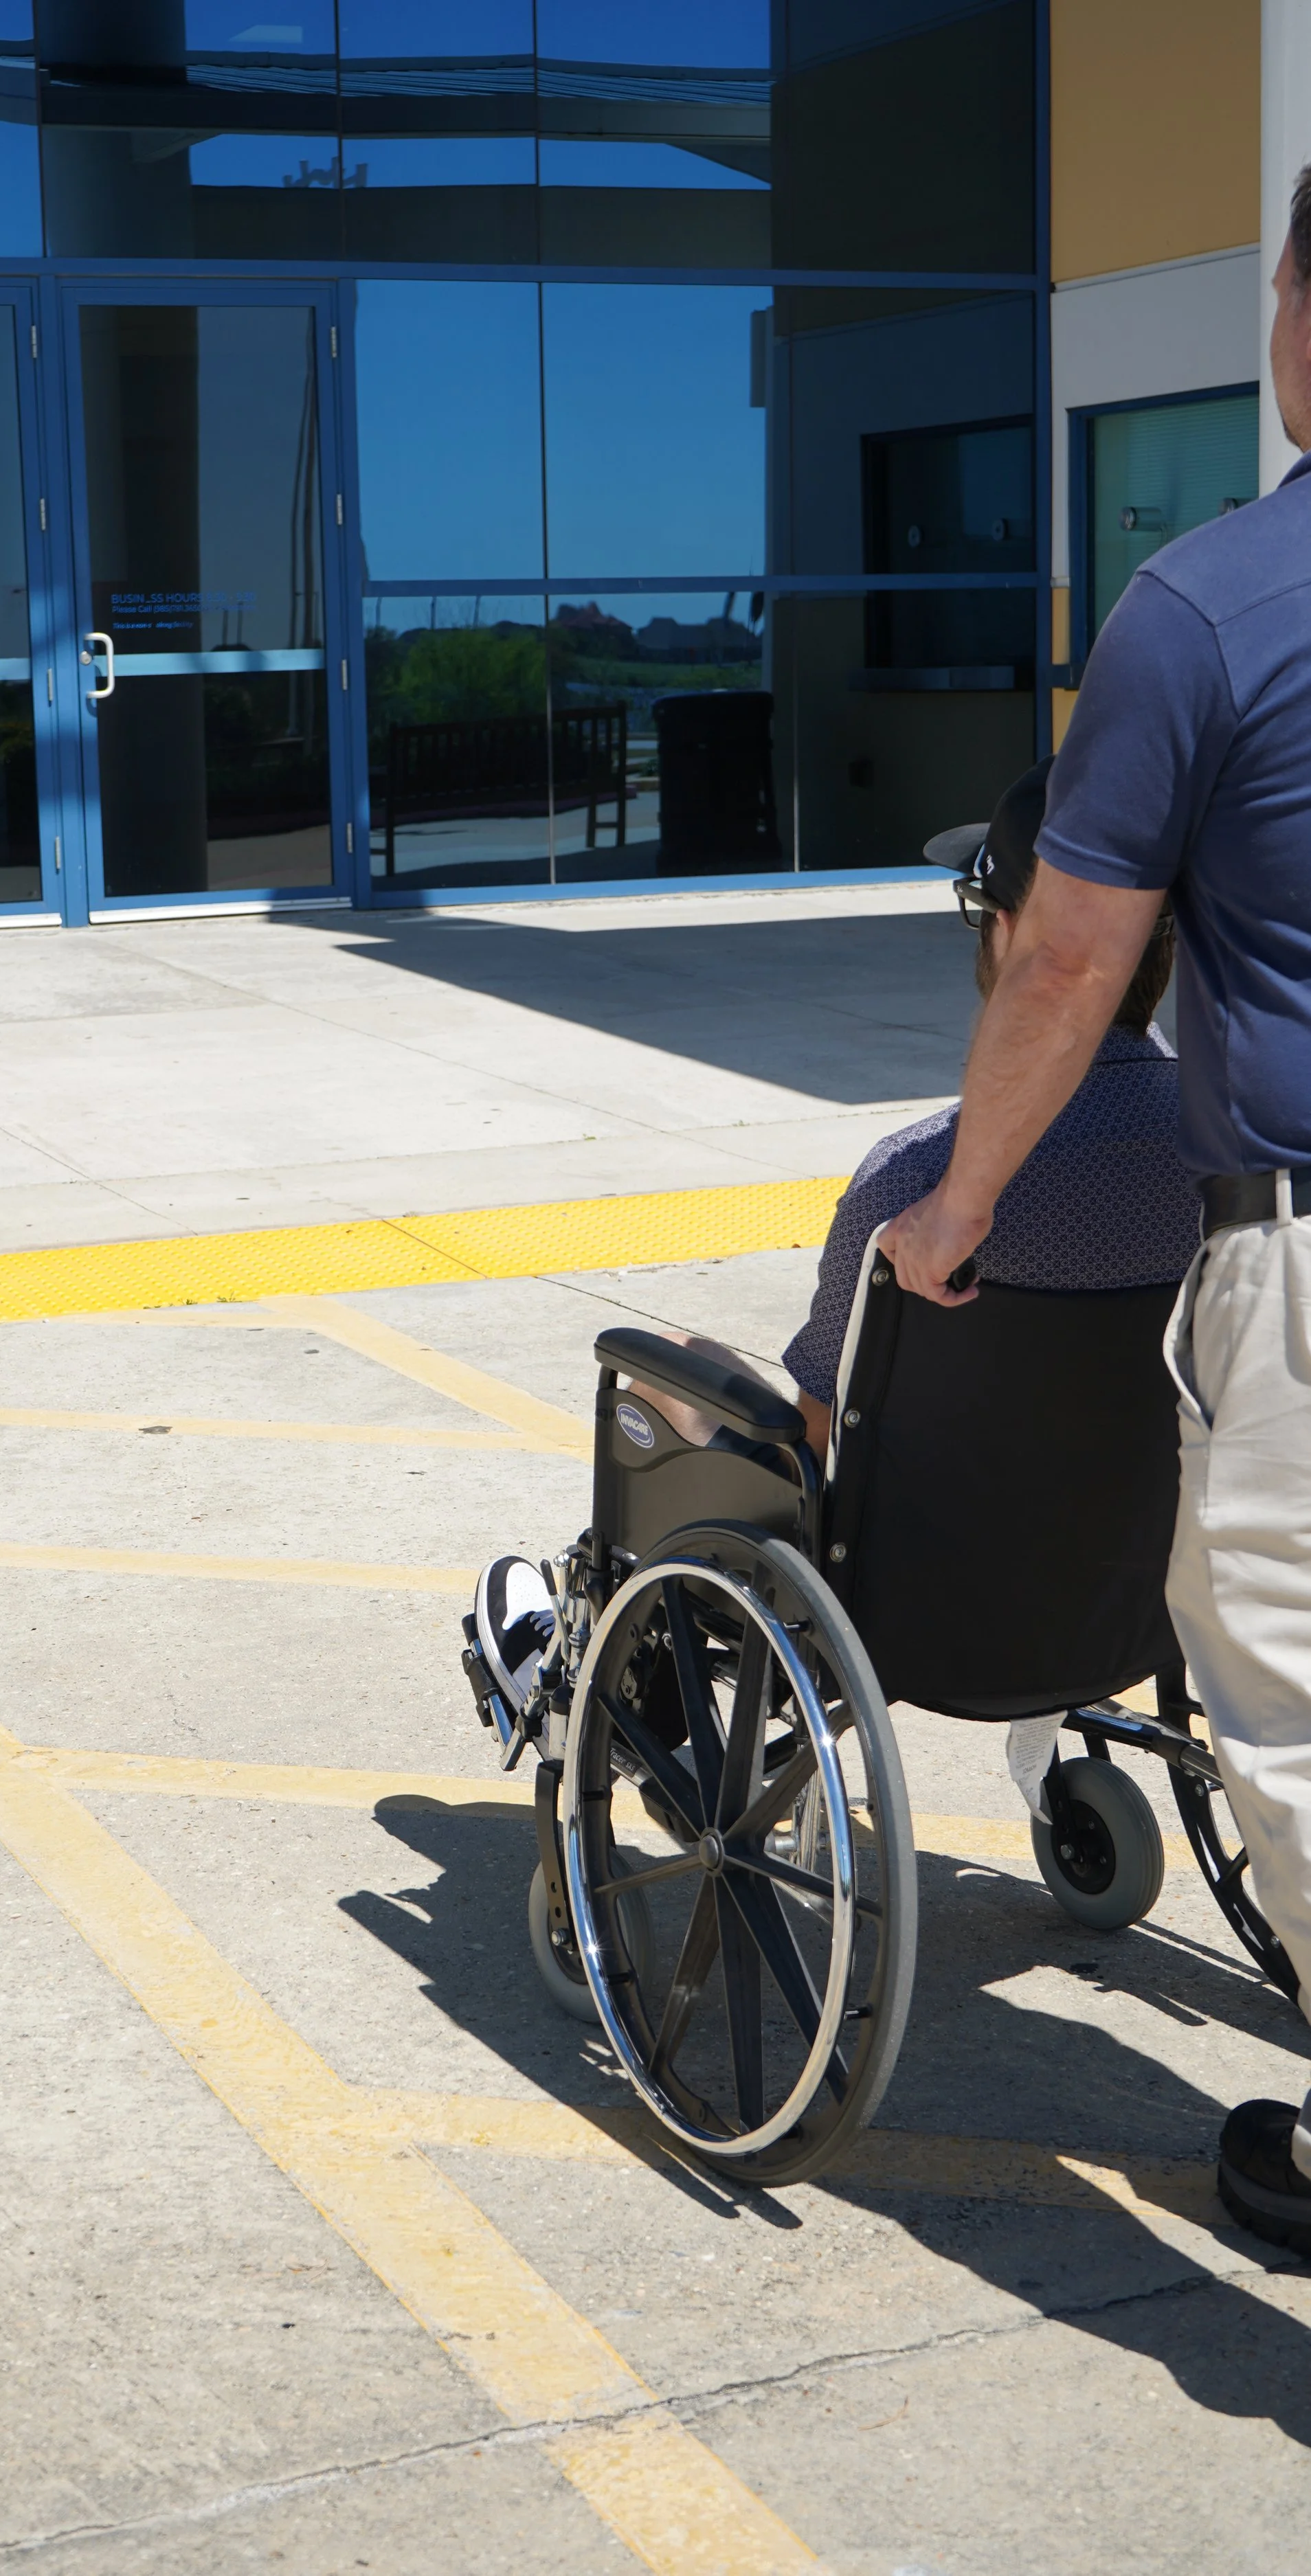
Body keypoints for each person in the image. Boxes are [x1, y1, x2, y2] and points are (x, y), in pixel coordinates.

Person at [880, 173, 1311, 2255]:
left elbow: (1064, 965)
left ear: (1295, 318)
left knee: (1297, 1709)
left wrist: (959, 1209)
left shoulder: (1209, 606)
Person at [473, 758, 1201, 1795]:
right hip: (1138, 1596)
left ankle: (591, 1667)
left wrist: (689, 1373)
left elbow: (816, 1431)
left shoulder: (921, 1186)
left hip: (912, 1617)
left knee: (655, 1380)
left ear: (1008, 935)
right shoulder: (1230, 1160)